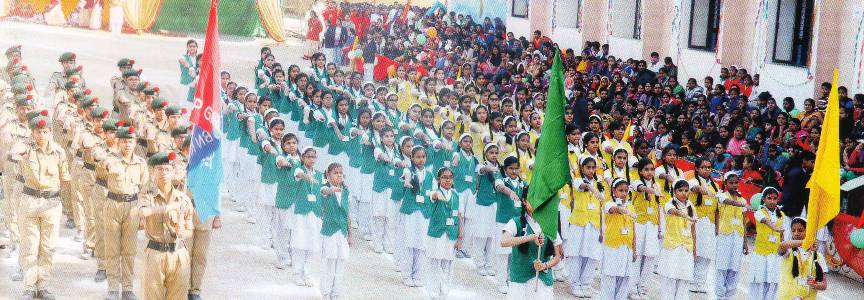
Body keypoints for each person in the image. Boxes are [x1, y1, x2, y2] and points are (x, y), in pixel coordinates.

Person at [17, 113, 72, 300]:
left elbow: (65, 179)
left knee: (48, 247)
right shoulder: (27, 148)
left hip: (51, 203)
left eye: (45, 131)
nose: (42, 135)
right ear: (33, 132)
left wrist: (57, 200)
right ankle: (29, 286)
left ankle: (43, 286)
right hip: (31, 201)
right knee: (30, 246)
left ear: (50, 132)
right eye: (38, 131)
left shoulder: (59, 152)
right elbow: (15, 152)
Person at [139, 151, 194, 300]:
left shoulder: (183, 199)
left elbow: (190, 229)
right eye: (160, 169)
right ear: (153, 172)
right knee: (152, 296)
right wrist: (168, 208)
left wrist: (182, 232)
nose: (163, 173)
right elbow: (143, 212)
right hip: (155, 253)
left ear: (173, 173)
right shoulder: (147, 194)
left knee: (178, 296)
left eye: (167, 169)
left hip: (178, 254)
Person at [103, 126, 148, 300]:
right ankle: (113, 288)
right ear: (118, 142)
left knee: (129, 250)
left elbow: (145, 189)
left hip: (132, 207)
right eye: (124, 141)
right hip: (113, 205)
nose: (128, 144)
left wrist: (143, 212)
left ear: (135, 143)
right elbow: (103, 161)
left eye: (131, 141)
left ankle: (128, 288)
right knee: (112, 249)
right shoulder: (111, 159)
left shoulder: (141, 163)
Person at [499, 189, 563, 299]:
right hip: (520, 280)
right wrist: (531, 237)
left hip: (542, 281)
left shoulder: (550, 225)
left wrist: (544, 265)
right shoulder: (516, 222)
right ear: (524, 201)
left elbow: (558, 256)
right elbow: (504, 242)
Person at [565, 156, 604, 298]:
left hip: (594, 224)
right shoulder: (577, 180)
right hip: (579, 223)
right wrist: (591, 188)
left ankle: (586, 283)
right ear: (582, 168)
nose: (591, 170)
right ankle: (575, 283)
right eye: (588, 167)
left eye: (594, 168)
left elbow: (601, 207)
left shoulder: (599, 183)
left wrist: (601, 230)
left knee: (592, 254)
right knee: (577, 253)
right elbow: (582, 187)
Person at [425, 167, 463, 300]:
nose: (447, 180)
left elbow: (459, 218)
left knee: (447, 264)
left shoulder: (457, 196)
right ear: (438, 179)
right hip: (437, 233)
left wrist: (460, 238)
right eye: (444, 177)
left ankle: (444, 292)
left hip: (451, 234)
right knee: (435, 262)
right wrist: (438, 194)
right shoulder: (434, 192)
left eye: (450, 177)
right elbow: (433, 196)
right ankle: (433, 292)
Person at [398, 145, 433, 287]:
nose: (420, 159)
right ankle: (407, 275)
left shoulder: (430, 175)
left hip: (424, 213)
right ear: (411, 158)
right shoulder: (408, 170)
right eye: (417, 157)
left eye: (423, 157)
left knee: (421, 244)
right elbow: (406, 178)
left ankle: (418, 275)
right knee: (409, 243)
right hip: (410, 211)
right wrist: (407, 182)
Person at [657, 179, 697, 300]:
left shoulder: (691, 207)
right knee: (670, 277)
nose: (684, 193)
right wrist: (684, 214)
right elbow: (673, 211)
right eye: (680, 190)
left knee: (684, 278)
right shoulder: (669, 204)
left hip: (687, 248)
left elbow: (693, 231)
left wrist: (694, 250)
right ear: (674, 191)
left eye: (686, 190)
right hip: (672, 247)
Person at [599, 178, 637, 300]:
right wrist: (625, 210)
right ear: (614, 190)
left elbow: (633, 230)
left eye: (626, 191)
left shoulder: (631, 207)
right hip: (612, 246)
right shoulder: (609, 203)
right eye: (621, 190)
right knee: (610, 275)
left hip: (627, 247)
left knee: (625, 277)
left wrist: (634, 249)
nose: (624, 193)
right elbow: (616, 210)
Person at [291, 147, 323, 287]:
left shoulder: (320, 174)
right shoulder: (298, 169)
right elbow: (298, 175)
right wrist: (306, 176)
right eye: (308, 157)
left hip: (314, 212)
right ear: (303, 157)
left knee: (313, 243)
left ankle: (308, 274)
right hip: (301, 212)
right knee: (299, 243)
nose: (311, 159)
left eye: (313, 157)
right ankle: (297, 274)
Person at [714, 172, 749, 300]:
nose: (734, 185)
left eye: (736, 182)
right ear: (725, 183)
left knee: (734, 267)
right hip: (724, 235)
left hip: (738, 237)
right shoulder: (721, 196)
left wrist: (745, 243)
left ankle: (729, 296)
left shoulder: (743, 200)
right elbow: (725, 201)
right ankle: (719, 295)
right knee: (722, 267)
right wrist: (738, 204)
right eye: (731, 183)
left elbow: (744, 222)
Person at [319, 162, 351, 300]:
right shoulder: (324, 189)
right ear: (328, 175)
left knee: (341, 262)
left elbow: (347, 214)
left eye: (340, 173)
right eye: (335, 173)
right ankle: (326, 292)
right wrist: (331, 190)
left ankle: (336, 293)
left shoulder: (346, 192)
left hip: (342, 231)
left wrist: (350, 235)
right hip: (330, 231)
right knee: (329, 261)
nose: (339, 175)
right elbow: (324, 192)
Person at [493, 156, 525, 293]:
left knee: (514, 253)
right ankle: (501, 281)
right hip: (503, 221)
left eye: (516, 168)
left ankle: (512, 278)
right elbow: (500, 188)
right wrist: (510, 192)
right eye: (510, 168)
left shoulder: (523, 183)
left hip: (517, 222)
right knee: (503, 253)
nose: (513, 171)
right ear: (505, 169)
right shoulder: (501, 180)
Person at [778, 218, 828, 300]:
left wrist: (815, 284)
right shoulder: (789, 250)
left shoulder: (819, 256)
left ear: (809, 232)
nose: (796, 233)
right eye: (793, 231)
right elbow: (782, 245)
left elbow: (824, 285)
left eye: (800, 230)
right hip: (787, 297)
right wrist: (806, 242)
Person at [749, 187, 784, 300]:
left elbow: (784, 234)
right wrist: (773, 227)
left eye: (774, 198)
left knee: (772, 281)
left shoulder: (782, 215)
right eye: (769, 198)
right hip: (761, 253)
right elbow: (765, 220)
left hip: (775, 254)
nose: (772, 201)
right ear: (764, 199)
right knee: (760, 280)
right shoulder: (759, 212)